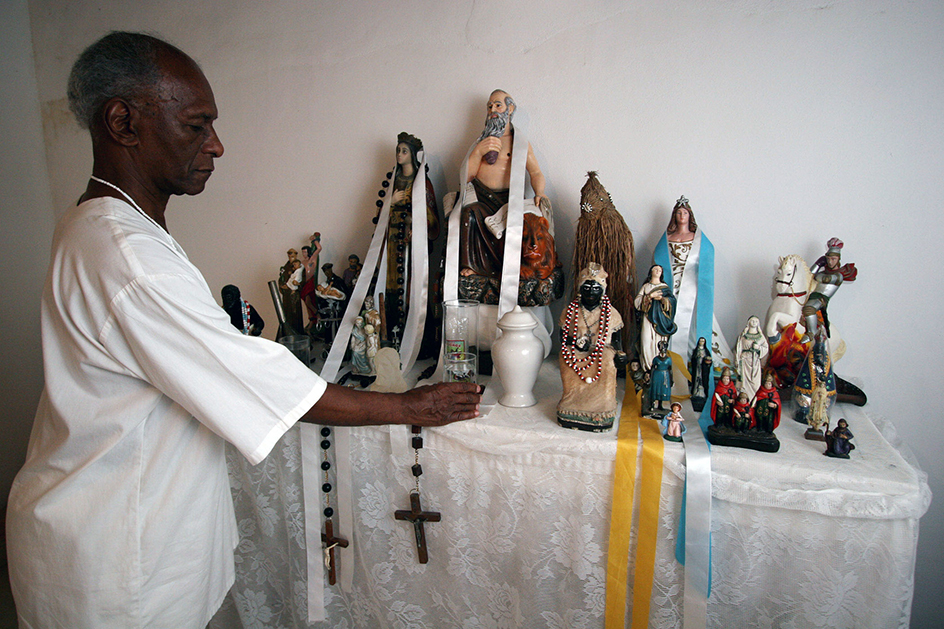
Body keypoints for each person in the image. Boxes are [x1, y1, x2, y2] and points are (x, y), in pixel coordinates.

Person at [6, 32, 481, 629]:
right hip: (116, 558)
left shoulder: (101, 226)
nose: (217, 145)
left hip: (110, 531)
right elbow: (256, 379)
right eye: (195, 126)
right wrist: (408, 404)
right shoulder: (125, 253)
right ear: (123, 122)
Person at [458, 89, 547, 280]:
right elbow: (466, 176)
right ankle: (473, 266)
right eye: (490, 106)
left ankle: (507, 267)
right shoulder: (480, 142)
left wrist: (540, 192)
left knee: (520, 225)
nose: (493, 110)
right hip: (481, 197)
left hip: (509, 200)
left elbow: (536, 172)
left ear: (510, 108)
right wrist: (478, 152)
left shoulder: (520, 143)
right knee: (469, 215)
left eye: (498, 105)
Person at [378, 132, 440, 341]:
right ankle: (393, 332)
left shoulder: (421, 181)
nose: (399, 154)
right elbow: (379, 217)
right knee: (392, 283)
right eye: (398, 150)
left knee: (412, 283)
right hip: (393, 239)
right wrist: (392, 201)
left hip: (413, 241)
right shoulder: (393, 182)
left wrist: (419, 226)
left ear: (412, 155)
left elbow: (431, 213)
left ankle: (416, 338)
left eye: (404, 151)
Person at [556, 263, 626, 431]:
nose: (591, 291)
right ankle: (571, 403)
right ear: (580, 289)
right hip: (576, 350)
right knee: (566, 356)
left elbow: (616, 339)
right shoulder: (571, 311)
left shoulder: (611, 313)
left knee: (607, 361)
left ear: (602, 289)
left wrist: (620, 353)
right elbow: (563, 337)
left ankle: (602, 406)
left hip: (602, 349)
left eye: (596, 287)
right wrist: (576, 344)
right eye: (586, 287)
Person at [634, 264, 678, 373]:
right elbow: (637, 302)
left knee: (659, 342)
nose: (658, 271)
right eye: (655, 269)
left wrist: (664, 300)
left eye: (660, 270)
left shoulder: (664, 287)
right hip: (647, 319)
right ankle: (647, 368)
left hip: (661, 320)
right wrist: (649, 296)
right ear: (651, 271)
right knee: (646, 340)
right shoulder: (646, 287)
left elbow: (672, 301)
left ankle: (658, 365)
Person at [735, 315, 769, 401]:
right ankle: (744, 400)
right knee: (744, 383)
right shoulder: (743, 335)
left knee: (755, 383)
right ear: (748, 322)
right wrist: (737, 359)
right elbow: (739, 348)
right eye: (752, 321)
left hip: (755, 362)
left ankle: (754, 401)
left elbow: (765, 347)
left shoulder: (760, 337)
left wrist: (758, 348)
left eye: (756, 321)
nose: (754, 322)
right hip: (745, 361)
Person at [647, 340, 673, 415]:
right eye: (661, 352)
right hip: (657, 374)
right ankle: (652, 404)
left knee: (662, 389)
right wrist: (650, 376)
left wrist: (671, 379)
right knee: (655, 389)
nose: (662, 354)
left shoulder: (668, 359)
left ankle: (660, 405)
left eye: (664, 352)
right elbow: (652, 367)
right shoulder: (656, 359)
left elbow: (670, 369)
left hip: (665, 375)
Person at [688, 336, 712, 412]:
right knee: (696, 381)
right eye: (700, 341)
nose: (701, 342)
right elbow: (693, 359)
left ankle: (702, 394)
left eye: (703, 341)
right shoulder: (696, 350)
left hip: (703, 370)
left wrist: (706, 362)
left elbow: (709, 361)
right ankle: (695, 393)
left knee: (703, 381)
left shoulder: (706, 351)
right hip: (697, 369)